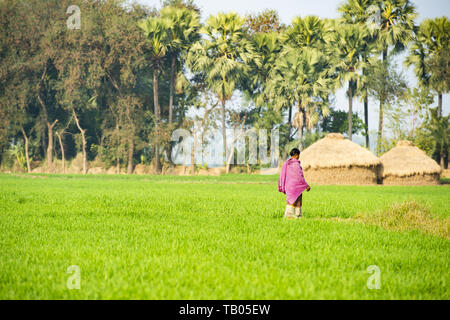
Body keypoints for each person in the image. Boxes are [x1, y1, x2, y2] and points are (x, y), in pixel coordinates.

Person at [278, 148, 311, 219]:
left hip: (288, 186)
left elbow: (283, 175)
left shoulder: (286, 164)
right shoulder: (296, 164)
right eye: (298, 155)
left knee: (290, 199)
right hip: (296, 186)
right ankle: (297, 216)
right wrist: (306, 185)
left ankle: (289, 216)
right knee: (298, 199)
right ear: (296, 155)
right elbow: (299, 176)